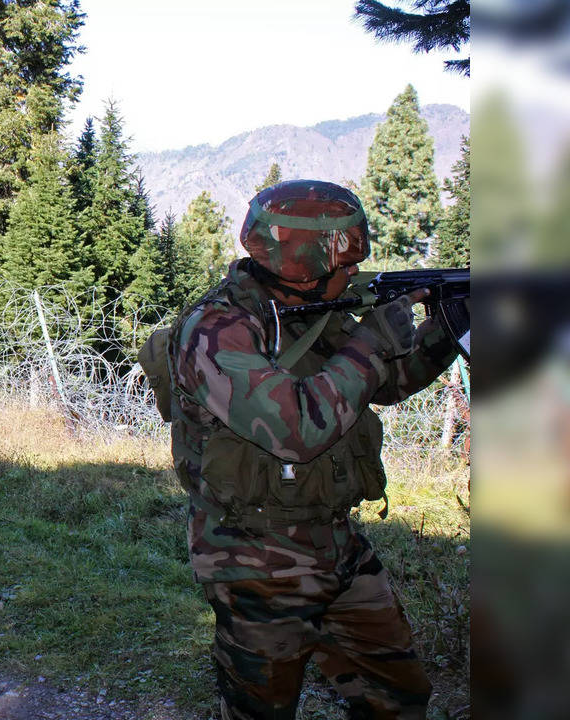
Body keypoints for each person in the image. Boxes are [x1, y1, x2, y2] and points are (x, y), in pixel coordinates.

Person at [165, 180, 459, 718]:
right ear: (304, 262)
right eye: (345, 264)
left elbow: (383, 384)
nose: (353, 276)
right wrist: (370, 343)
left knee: (399, 695)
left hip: (334, 543)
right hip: (253, 559)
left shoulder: (314, 308)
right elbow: (297, 430)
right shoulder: (216, 330)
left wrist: (447, 329)